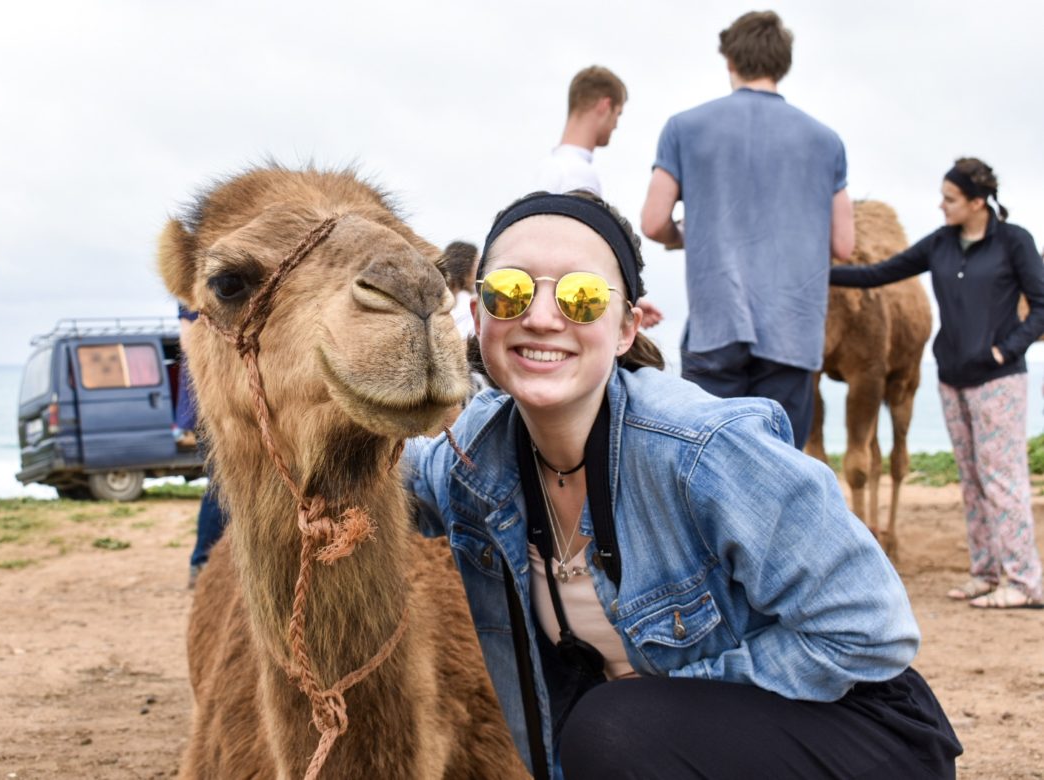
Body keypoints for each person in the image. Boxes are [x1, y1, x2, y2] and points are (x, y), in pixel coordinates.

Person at [407, 190, 960, 778]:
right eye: (511, 291)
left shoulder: (703, 449)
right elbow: (392, 478)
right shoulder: (475, 459)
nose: (542, 316)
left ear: (627, 328)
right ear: (478, 315)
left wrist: (669, 686)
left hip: (857, 729)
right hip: (670, 734)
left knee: (606, 728)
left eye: (582, 297)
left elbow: (871, 632)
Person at [830, 158, 1044, 610]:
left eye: (950, 199)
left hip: (999, 380)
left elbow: (1042, 306)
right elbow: (879, 273)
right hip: (952, 379)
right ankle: (985, 573)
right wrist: (818, 272)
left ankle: (1025, 581)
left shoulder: (1014, 242)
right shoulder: (942, 244)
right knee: (970, 478)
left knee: (1002, 478)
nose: (941, 205)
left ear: (977, 201)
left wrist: (1007, 350)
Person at [640, 10, 855, 448]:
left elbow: (653, 222)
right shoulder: (827, 141)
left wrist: (686, 236)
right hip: (793, 332)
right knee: (779, 469)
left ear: (730, 60)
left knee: (708, 463)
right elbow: (844, 244)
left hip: (716, 323)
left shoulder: (685, 127)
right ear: (782, 64)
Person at [177, 303, 227, 588]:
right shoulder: (197, 294)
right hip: (213, 404)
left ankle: (206, 562)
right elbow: (188, 340)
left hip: (220, 402)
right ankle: (202, 562)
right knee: (223, 484)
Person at [534, 65, 626, 197]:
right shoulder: (580, 174)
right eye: (618, 114)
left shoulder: (543, 169)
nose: (616, 125)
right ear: (605, 106)